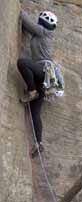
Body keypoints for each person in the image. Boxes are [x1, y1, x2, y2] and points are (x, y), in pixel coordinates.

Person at [17, 10, 64, 157]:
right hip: (43, 78)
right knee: (35, 111)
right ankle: (39, 143)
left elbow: (25, 20)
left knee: (22, 63)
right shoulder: (45, 33)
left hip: (43, 70)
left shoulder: (42, 31)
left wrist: (19, 8)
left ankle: (32, 91)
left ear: (43, 21)